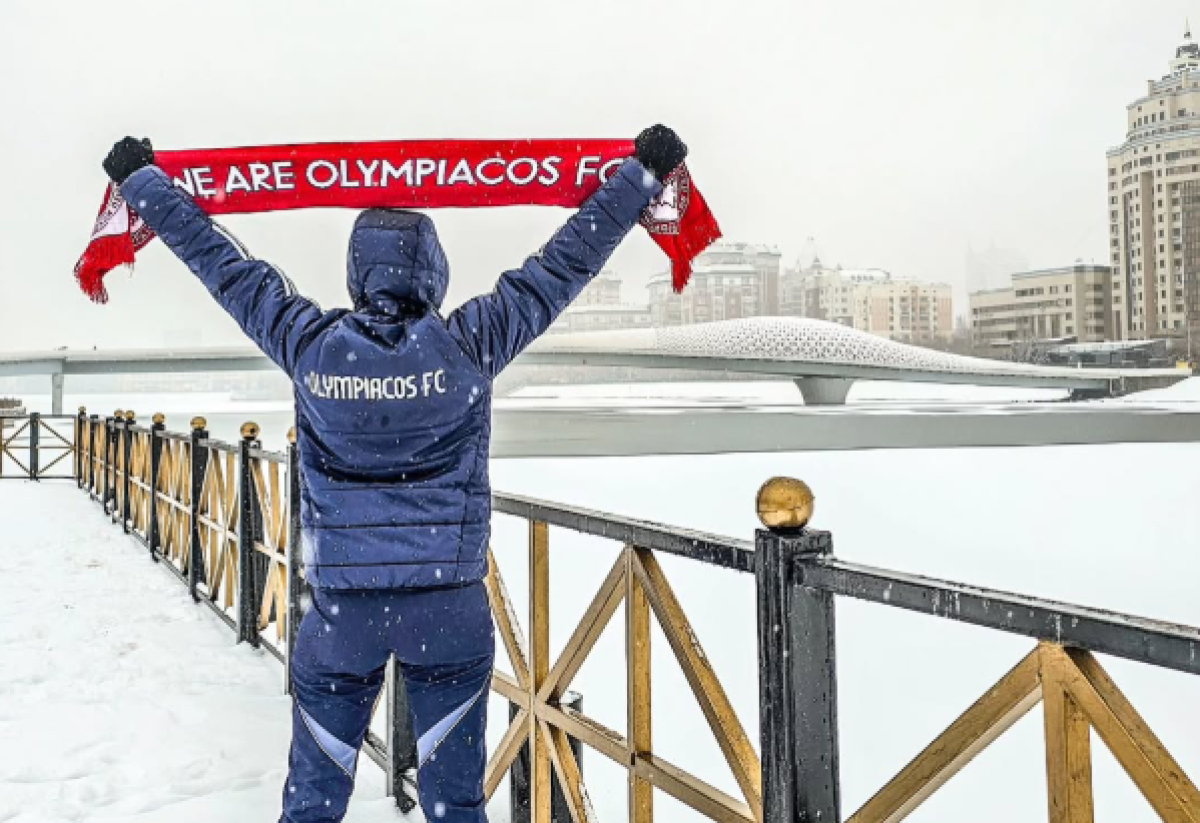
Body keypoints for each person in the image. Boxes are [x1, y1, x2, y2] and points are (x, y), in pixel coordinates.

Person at [102, 125, 687, 823]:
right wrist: (641, 175)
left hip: (341, 612)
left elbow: (221, 264)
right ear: (434, 271)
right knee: (455, 803)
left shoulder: (310, 344)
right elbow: (565, 262)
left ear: (357, 274)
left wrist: (141, 182)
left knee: (313, 801)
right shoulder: (471, 342)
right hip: (448, 607)